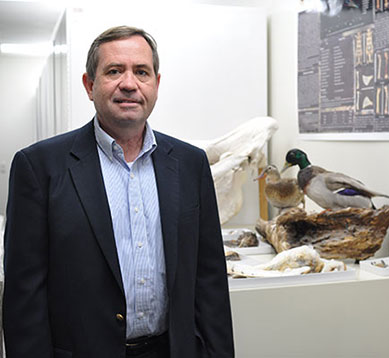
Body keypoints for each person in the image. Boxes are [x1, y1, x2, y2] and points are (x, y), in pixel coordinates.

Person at [3, 25, 234, 358]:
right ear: (90, 84)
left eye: (142, 72)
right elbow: (24, 295)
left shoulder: (189, 164)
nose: (129, 84)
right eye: (114, 71)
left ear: (156, 84)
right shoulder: (39, 167)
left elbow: (210, 279)